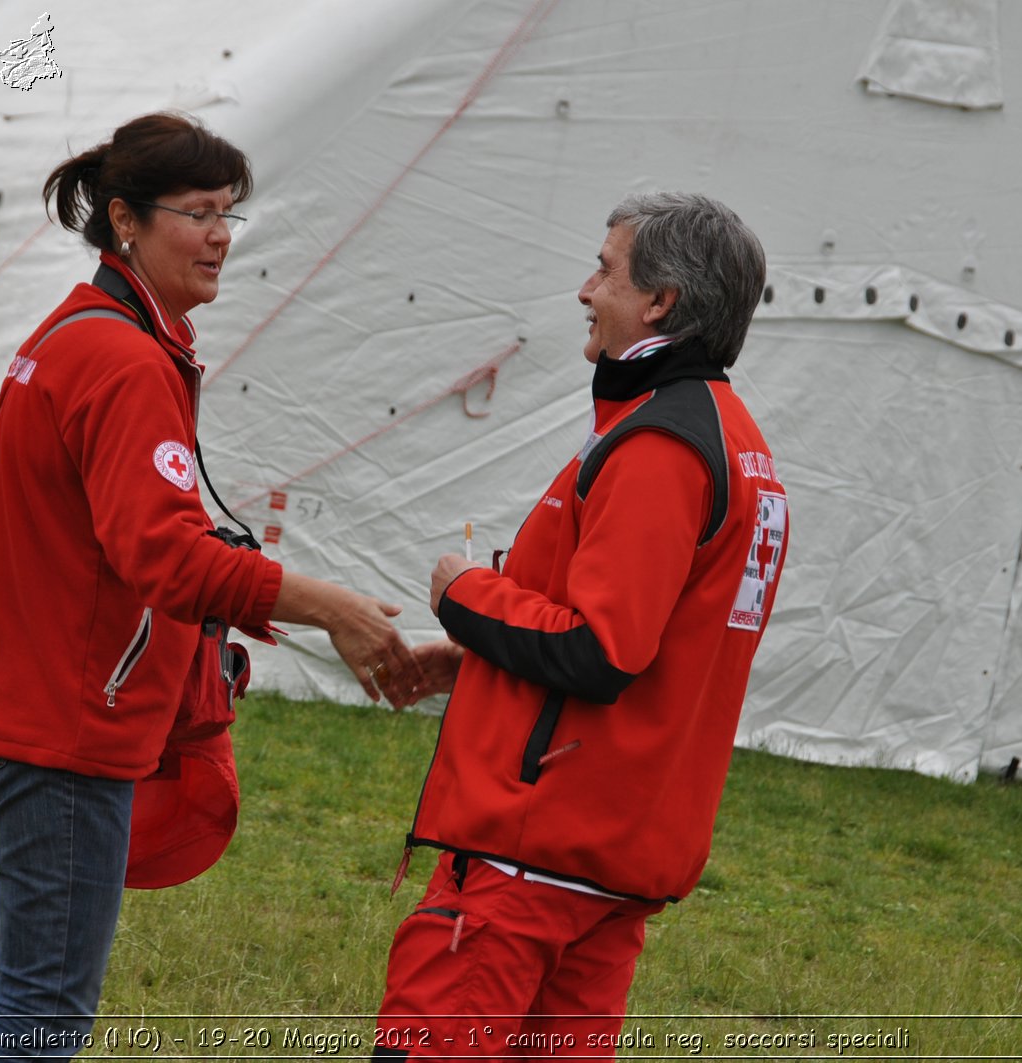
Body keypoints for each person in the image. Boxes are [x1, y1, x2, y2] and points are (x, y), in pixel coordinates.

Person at [0, 111, 421, 1059]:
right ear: (125, 221)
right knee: (39, 1011)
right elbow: (164, 554)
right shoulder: (118, 357)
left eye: (229, 213)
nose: (222, 236)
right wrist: (332, 609)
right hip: (63, 725)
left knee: (24, 992)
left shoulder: (81, 332)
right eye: (197, 213)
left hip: (33, 704)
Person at [374, 192, 788, 1059]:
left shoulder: (660, 447)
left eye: (604, 268)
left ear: (660, 303)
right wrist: (476, 656)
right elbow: (664, 643)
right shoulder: (733, 442)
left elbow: (602, 651)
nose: (584, 290)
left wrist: (468, 595)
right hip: (606, 856)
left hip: (535, 853)